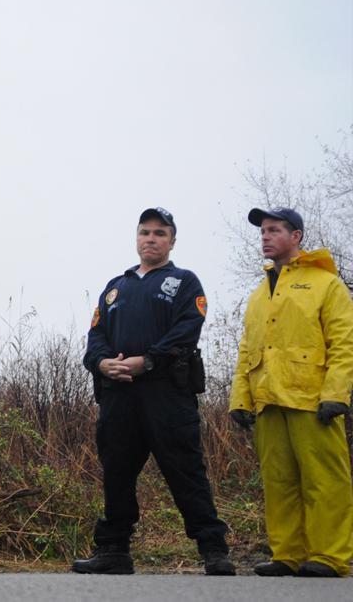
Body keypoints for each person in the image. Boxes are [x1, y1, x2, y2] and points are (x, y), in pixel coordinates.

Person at [75, 207, 235, 576]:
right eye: (145, 232)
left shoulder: (184, 282)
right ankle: (114, 551)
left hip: (167, 394)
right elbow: (95, 336)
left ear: (172, 241)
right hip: (118, 394)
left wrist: (146, 361)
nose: (151, 239)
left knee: (186, 470)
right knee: (117, 472)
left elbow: (186, 331)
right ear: (136, 239)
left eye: (160, 233)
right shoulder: (116, 287)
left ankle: (213, 549)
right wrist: (102, 364)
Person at [229, 207, 353, 578]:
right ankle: (287, 554)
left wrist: (336, 393)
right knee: (278, 481)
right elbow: (247, 348)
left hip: (312, 399)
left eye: (274, 230)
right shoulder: (258, 293)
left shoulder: (325, 283)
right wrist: (241, 398)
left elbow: (344, 342)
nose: (265, 236)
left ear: (296, 236)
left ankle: (329, 556)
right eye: (263, 231)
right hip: (268, 400)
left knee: (325, 480)